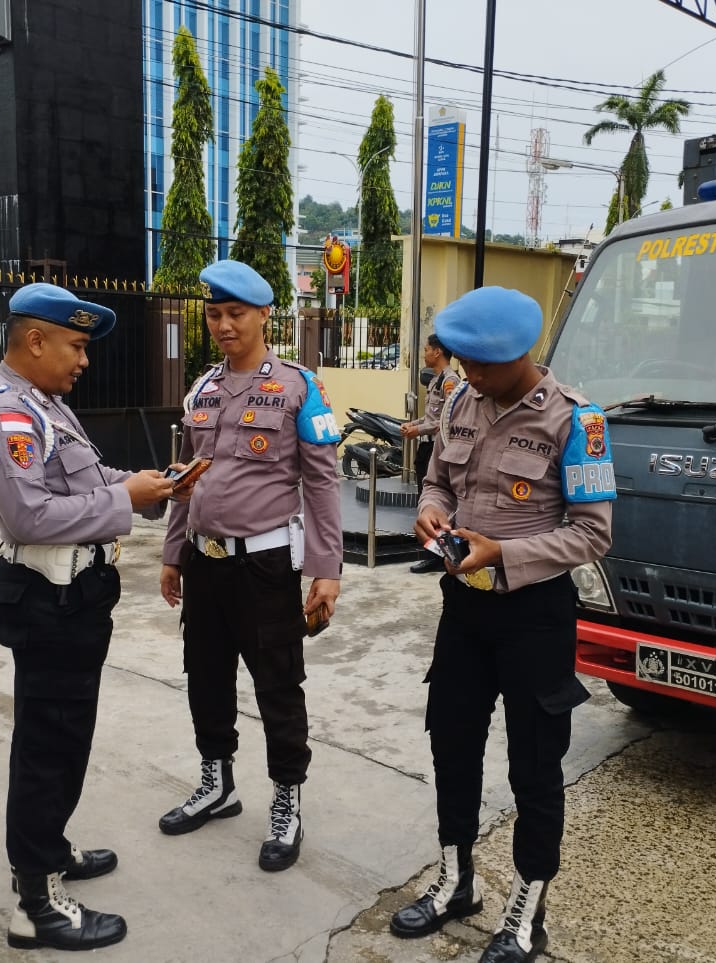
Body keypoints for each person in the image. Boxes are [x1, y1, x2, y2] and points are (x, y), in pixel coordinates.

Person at [391, 286, 615, 963]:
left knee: (534, 766)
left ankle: (526, 910)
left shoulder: (576, 420)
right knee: (451, 743)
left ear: (520, 353)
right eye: (463, 362)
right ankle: (455, 879)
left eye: (481, 364)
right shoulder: (461, 401)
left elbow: (593, 533)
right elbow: (438, 480)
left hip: (534, 617)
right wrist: (431, 510)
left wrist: (505, 554)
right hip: (463, 608)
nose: (469, 374)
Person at [0, 283, 182, 951]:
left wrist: (146, 487)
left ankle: (50, 849)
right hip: (48, 600)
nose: (84, 360)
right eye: (77, 346)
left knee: (64, 738)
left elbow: (83, 479)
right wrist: (125, 499)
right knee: (47, 748)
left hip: (75, 598)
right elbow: (29, 515)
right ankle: (36, 904)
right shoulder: (7, 415)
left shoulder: (44, 404)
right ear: (35, 341)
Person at [158, 259, 342, 873]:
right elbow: (186, 480)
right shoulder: (203, 389)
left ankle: (287, 801)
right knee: (205, 678)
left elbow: (322, 485)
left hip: (264, 567)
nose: (223, 325)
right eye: (213, 314)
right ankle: (217, 783)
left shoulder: (299, 388)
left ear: (264, 314)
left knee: (278, 687)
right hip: (205, 564)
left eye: (235, 313)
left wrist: (326, 569)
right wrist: (173, 554)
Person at [402, 333, 462, 573]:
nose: (424, 354)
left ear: (437, 352)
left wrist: (417, 430)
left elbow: (447, 420)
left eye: (427, 349)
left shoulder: (450, 381)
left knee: (437, 503)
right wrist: (414, 424)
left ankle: (439, 555)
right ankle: (433, 552)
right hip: (426, 445)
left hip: (438, 449)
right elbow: (432, 417)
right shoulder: (436, 379)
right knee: (425, 499)